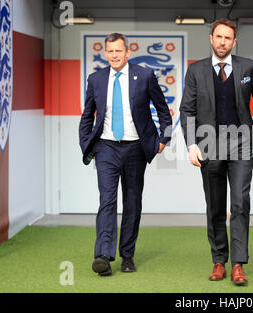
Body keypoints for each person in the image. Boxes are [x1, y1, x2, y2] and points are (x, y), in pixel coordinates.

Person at [179, 19, 253, 285]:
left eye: (227, 38)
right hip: (208, 144)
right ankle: (219, 260)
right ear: (211, 38)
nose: (222, 42)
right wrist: (191, 144)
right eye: (218, 37)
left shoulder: (247, 67)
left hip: (242, 142)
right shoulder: (195, 71)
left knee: (240, 203)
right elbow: (187, 110)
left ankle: (238, 264)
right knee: (216, 205)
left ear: (234, 41)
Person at [79, 33, 172, 276]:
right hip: (106, 147)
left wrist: (164, 139)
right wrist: (87, 144)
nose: (114, 55)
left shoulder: (144, 76)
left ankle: (127, 256)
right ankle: (103, 255)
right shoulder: (95, 79)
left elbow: (164, 111)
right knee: (107, 200)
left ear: (127, 52)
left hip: (135, 149)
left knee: (132, 202)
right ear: (105, 53)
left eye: (118, 51)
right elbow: (87, 116)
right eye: (110, 51)